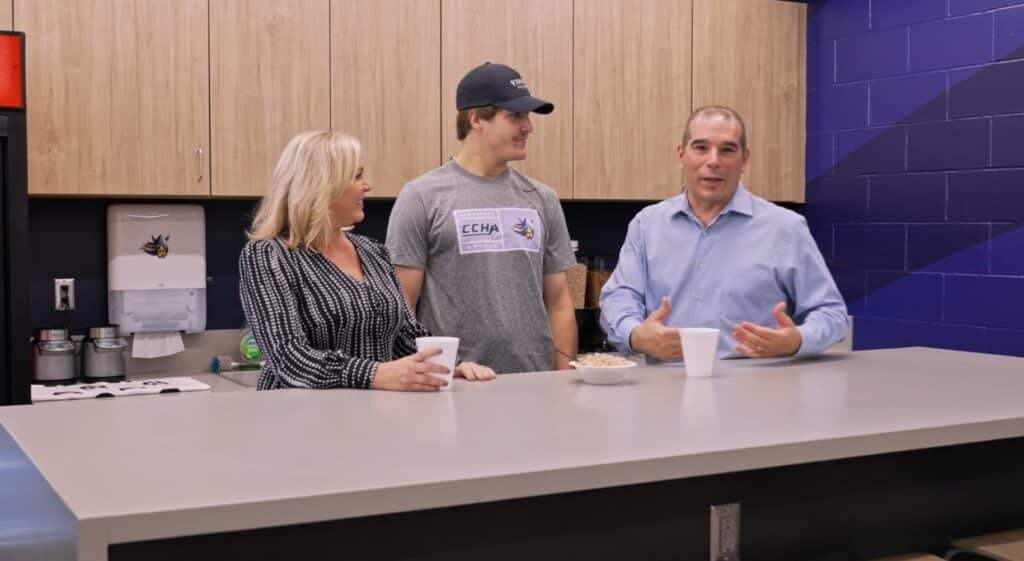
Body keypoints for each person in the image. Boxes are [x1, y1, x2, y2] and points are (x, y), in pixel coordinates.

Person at [239, 131, 496, 390]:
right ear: (322, 185)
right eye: (357, 175)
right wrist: (375, 374)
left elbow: (406, 335)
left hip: (372, 416)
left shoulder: (374, 252)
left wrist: (449, 366)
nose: (367, 185)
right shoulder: (268, 255)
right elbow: (289, 358)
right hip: (302, 420)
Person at [600, 106, 848, 362]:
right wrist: (636, 335)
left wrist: (797, 340)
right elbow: (619, 296)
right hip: (665, 389)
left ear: (745, 159)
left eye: (727, 150)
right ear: (681, 154)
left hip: (759, 391)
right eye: (701, 147)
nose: (714, 161)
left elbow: (832, 314)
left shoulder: (786, 228)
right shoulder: (647, 225)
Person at [386, 62, 577, 374]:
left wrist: (564, 378)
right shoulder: (421, 197)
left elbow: (559, 303)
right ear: (476, 119)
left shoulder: (541, 198)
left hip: (533, 384)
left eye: (528, 116)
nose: (528, 126)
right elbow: (401, 307)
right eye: (515, 115)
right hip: (454, 381)